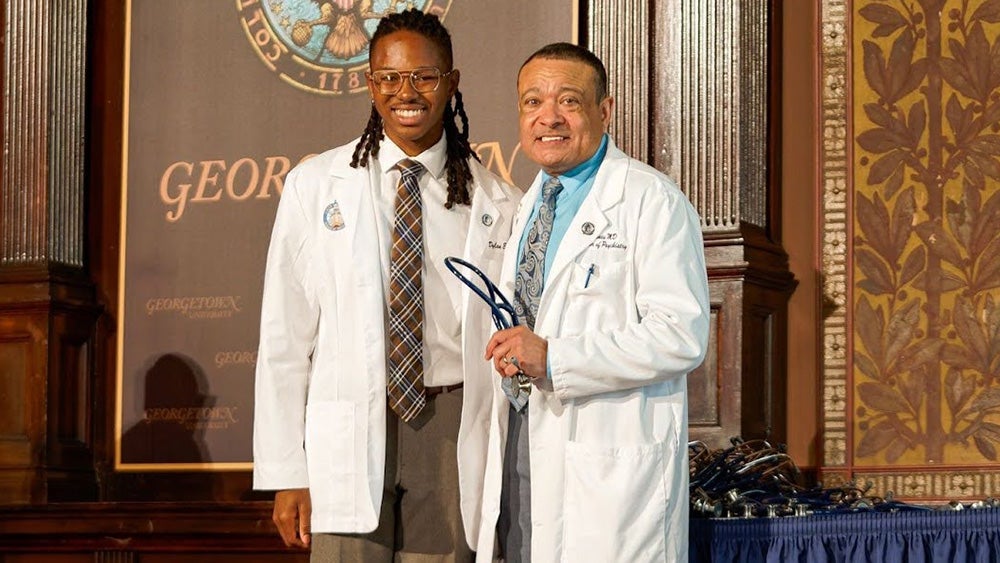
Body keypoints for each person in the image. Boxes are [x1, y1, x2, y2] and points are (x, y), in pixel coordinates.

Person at [252, 9, 519, 562]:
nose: (407, 92)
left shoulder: (498, 201)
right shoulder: (314, 185)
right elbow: (284, 339)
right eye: (390, 77)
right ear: (370, 83)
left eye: (424, 76)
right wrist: (286, 471)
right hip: (348, 423)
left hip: (450, 424)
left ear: (452, 83)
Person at [476, 43, 711, 562]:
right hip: (523, 441)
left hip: (607, 465)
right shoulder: (524, 204)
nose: (548, 118)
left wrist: (556, 357)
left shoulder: (651, 201)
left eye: (569, 102)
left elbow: (681, 334)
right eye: (532, 102)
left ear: (604, 110)